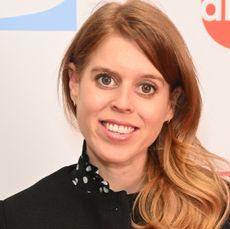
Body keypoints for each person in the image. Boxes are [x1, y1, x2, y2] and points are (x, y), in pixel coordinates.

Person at [0, 0, 229, 228]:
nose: (123, 103)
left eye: (146, 87)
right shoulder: (16, 217)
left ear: (171, 104)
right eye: (106, 80)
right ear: (74, 83)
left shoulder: (219, 210)